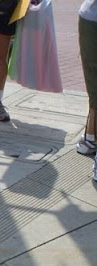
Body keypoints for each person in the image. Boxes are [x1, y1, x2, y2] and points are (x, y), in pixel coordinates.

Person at [76, 0, 97, 157]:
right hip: (91, 19)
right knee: (94, 83)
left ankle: (90, 136)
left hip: (90, 18)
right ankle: (90, 137)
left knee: (94, 83)